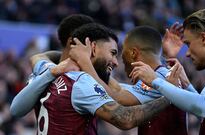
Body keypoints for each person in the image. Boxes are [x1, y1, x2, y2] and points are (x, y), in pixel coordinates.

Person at [11, 23, 171, 135]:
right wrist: (170, 97)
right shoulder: (82, 84)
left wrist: (74, 57)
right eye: (113, 53)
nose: (116, 62)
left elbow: (38, 57)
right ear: (92, 48)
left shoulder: (48, 70)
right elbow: (125, 119)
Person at [130, 8, 205, 135]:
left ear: (204, 39)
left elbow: (203, 107)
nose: (187, 53)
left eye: (188, 44)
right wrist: (187, 85)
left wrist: (155, 80)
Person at [69, 25, 188, 135]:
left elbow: (117, 98)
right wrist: (96, 64)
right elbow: (117, 88)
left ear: (133, 53)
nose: (117, 61)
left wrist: (85, 62)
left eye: (120, 52)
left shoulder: (157, 78)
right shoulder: (161, 75)